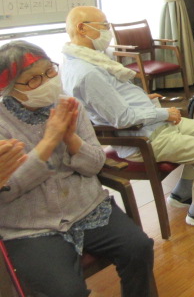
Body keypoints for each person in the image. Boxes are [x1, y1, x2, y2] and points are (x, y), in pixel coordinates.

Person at [0, 41, 155, 297]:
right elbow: (7, 190)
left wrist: (72, 139)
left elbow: (95, 164)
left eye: (50, 71)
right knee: (67, 291)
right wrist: (49, 142)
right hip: (31, 224)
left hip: (87, 206)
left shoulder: (70, 106)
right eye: (32, 80)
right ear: (8, 88)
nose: (48, 81)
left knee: (139, 248)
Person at [61, 6, 194, 230]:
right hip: (140, 140)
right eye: (103, 26)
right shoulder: (86, 72)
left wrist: (144, 99)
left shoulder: (89, 60)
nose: (108, 31)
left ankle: (182, 194)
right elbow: (122, 118)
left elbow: (115, 99)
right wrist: (163, 113)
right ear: (82, 28)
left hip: (149, 126)